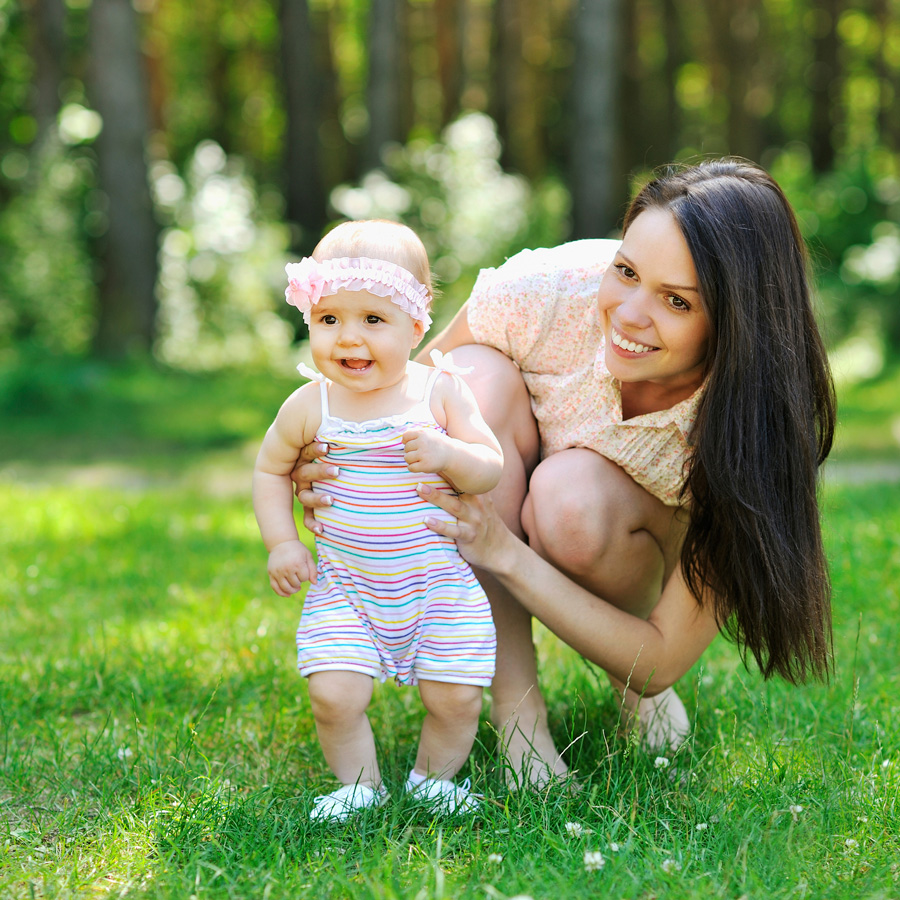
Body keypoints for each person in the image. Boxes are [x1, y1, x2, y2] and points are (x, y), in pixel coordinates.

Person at [292, 159, 837, 787]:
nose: (629, 314)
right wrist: (328, 460)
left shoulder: (754, 418)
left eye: (677, 301)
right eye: (626, 271)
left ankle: (626, 681)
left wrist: (505, 552)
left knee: (568, 502)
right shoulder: (547, 292)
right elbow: (398, 394)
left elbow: (662, 658)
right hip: (511, 481)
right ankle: (519, 717)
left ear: (738, 321)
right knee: (471, 380)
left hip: (629, 545)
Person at [253, 220, 504, 820]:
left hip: (437, 585)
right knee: (332, 694)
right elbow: (269, 471)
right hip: (349, 586)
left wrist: (449, 455)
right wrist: (282, 542)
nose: (349, 339)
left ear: (415, 328)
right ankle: (357, 786)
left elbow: (490, 465)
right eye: (329, 319)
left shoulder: (439, 392)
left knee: (457, 697)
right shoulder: (310, 403)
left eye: (373, 320)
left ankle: (432, 779)